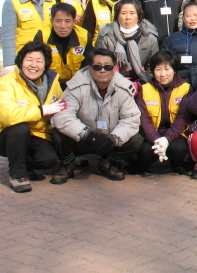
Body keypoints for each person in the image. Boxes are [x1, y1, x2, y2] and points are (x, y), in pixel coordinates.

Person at [51, 48, 143, 184]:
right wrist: (87, 134)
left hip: (109, 139)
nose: (102, 70)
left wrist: (114, 139)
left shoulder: (124, 87)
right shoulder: (76, 86)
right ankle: (67, 164)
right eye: (97, 66)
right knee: (57, 133)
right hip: (83, 138)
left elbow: (131, 119)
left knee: (136, 140)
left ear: (114, 69)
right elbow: (63, 116)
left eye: (107, 66)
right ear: (90, 69)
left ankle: (107, 162)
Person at [0, 42, 65, 193]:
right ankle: (18, 174)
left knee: (48, 160)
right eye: (29, 59)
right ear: (21, 61)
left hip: (38, 133)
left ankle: (24, 163)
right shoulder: (6, 82)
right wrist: (42, 110)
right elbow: (9, 116)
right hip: (8, 135)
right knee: (19, 128)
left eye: (39, 60)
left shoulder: (52, 81)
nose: (33, 65)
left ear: (46, 64)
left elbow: (61, 107)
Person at [131, 50, 191, 175]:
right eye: (158, 69)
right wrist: (157, 141)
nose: (163, 74)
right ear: (152, 71)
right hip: (153, 133)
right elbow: (144, 120)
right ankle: (143, 165)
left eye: (167, 69)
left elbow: (182, 118)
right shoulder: (145, 89)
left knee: (178, 148)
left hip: (176, 134)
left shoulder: (185, 88)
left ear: (174, 70)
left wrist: (167, 140)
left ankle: (177, 164)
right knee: (146, 150)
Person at [2, 0, 55, 74]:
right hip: (24, 62)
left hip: (48, 60)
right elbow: (8, 37)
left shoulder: (51, 0)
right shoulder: (12, 2)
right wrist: (10, 65)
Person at [96, 0, 159, 84]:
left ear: (138, 15)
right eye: (123, 13)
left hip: (142, 82)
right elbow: (100, 65)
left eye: (132, 13)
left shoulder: (149, 36)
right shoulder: (106, 36)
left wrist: (142, 85)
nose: (128, 18)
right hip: (113, 83)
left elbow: (152, 66)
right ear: (117, 15)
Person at [34, 3, 92, 86]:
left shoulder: (84, 36)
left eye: (67, 21)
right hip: (48, 83)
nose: (63, 26)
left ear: (74, 21)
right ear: (52, 21)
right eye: (58, 21)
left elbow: (87, 66)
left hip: (76, 83)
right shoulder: (42, 36)